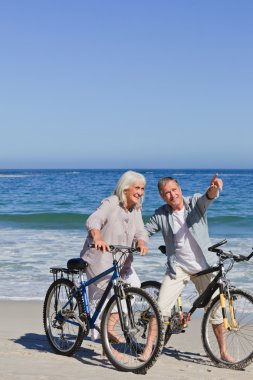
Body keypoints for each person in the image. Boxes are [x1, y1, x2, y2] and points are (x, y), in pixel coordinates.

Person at [142, 174, 233, 362]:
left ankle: (223, 351)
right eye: (167, 193)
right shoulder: (161, 214)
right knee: (160, 309)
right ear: (162, 196)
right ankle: (147, 348)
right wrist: (141, 241)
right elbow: (146, 229)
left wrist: (214, 187)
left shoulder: (194, 204)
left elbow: (208, 197)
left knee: (215, 311)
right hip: (178, 267)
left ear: (180, 189)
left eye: (174, 190)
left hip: (204, 266)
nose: (172, 195)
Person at [80, 170, 148, 341]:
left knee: (134, 286)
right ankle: (104, 341)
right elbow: (94, 220)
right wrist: (97, 237)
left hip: (121, 261)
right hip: (100, 260)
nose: (140, 192)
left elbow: (140, 231)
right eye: (137, 188)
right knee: (102, 299)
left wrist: (141, 242)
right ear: (125, 188)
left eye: (143, 189)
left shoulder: (136, 209)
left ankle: (108, 328)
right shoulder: (112, 202)